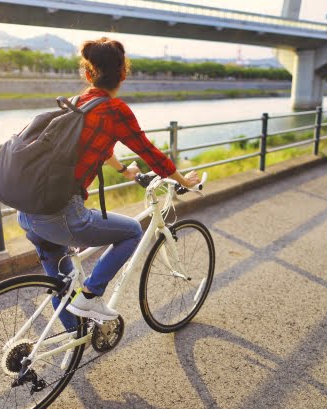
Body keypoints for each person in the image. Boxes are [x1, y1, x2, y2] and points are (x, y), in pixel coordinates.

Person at [17, 37, 200, 329]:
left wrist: (123, 169)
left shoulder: (77, 102)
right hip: (61, 215)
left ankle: (73, 340)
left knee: (62, 285)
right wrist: (182, 180)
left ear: (88, 74)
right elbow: (149, 152)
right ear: (124, 74)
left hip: (28, 209)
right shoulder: (114, 110)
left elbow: (94, 145)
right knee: (130, 232)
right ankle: (91, 295)